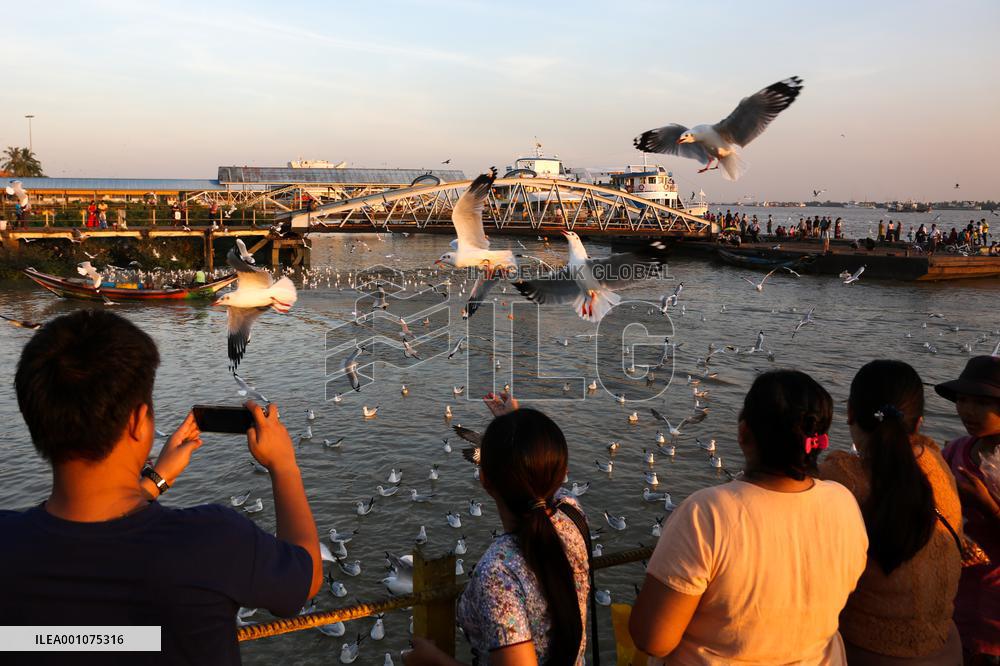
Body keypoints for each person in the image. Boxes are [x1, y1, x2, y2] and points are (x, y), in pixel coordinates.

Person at [0, 310, 322, 665]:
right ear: (139, 421)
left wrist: (154, 482)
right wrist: (284, 465)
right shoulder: (213, 541)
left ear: (35, 420)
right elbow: (305, 579)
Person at [630, 370, 868, 664]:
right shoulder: (843, 501)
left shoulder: (707, 513)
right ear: (818, 440)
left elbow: (652, 639)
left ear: (743, 433)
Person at [407, 394, 590, 666]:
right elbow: (535, 474)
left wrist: (433, 660)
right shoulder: (573, 513)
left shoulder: (497, 572)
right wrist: (511, 425)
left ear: (484, 480)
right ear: (561, 471)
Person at [820, 361, 963, 664]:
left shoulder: (841, 477)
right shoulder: (937, 464)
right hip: (947, 648)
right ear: (919, 422)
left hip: (868, 652)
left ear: (849, 414)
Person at [935, 356, 1000, 662]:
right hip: (955, 601)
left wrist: (987, 505)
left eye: (981, 403)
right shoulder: (957, 449)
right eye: (962, 400)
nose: (967, 411)